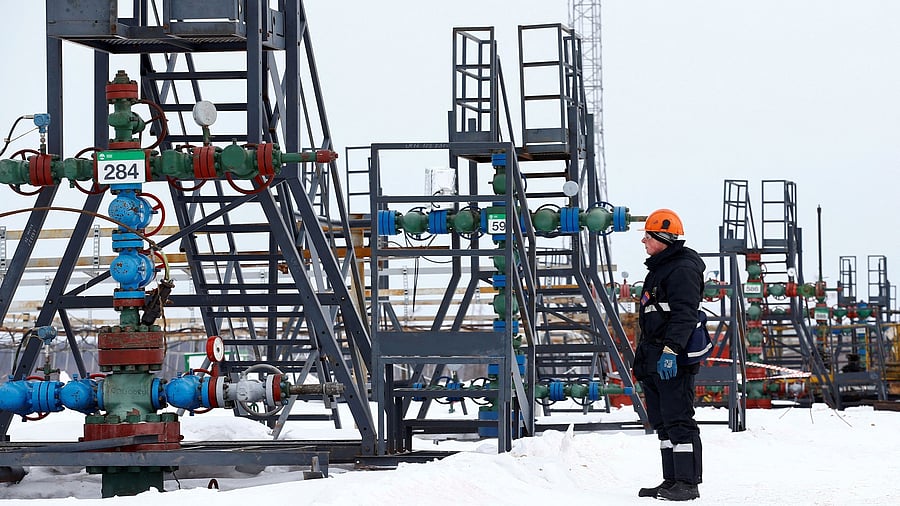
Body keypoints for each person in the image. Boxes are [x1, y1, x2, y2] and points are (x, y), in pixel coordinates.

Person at [633, 209, 704, 501]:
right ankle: (670, 480)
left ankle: (687, 483)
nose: (644, 242)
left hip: (672, 358)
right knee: (662, 422)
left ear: (662, 237)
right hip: (654, 358)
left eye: (648, 236)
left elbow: (685, 315)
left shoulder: (683, 269)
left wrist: (671, 351)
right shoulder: (659, 268)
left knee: (679, 419)